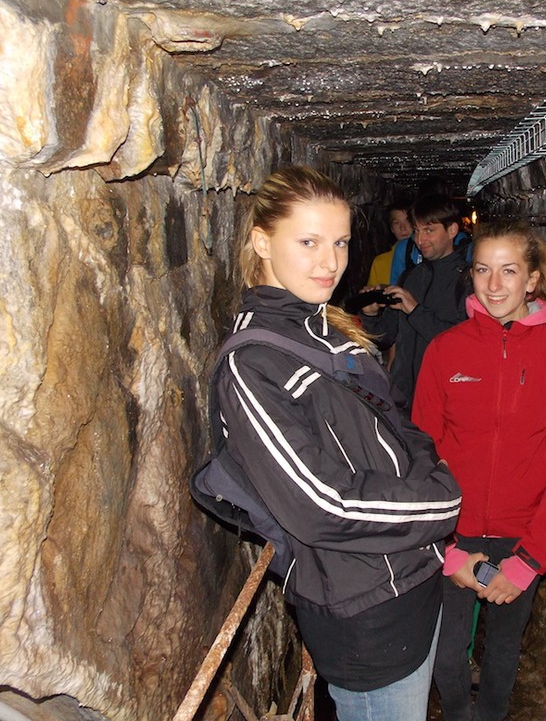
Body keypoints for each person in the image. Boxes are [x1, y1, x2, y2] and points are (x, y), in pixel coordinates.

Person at [216, 166, 461, 721]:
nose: (330, 262)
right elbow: (324, 504)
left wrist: (431, 470)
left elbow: (397, 421)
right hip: (367, 610)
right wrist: (440, 501)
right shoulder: (253, 363)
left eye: (341, 243)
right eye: (308, 242)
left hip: (413, 579)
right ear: (262, 242)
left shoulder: (325, 328)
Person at [412, 220, 546, 721]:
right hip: (453, 531)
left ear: (532, 280)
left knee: (502, 655)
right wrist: (444, 548)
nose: (494, 285)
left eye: (508, 271)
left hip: (521, 537)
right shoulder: (445, 351)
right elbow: (421, 454)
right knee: (446, 654)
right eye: (482, 270)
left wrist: (529, 561)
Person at [360, 193, 472, 414]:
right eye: (417, 231)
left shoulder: (468, 281)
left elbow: (462, 345)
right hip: (403, 397)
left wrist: (415, 310)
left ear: (451, 230)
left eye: (429, 230)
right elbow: (386, 338)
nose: (420, 240)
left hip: (444, 399)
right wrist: (370, 315)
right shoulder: (409, 277)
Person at [367, 206, 413, 287]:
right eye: (397, 223)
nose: (403, 228)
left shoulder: (426, 254)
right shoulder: (380, 262)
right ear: (391, 228)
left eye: (407, 221)